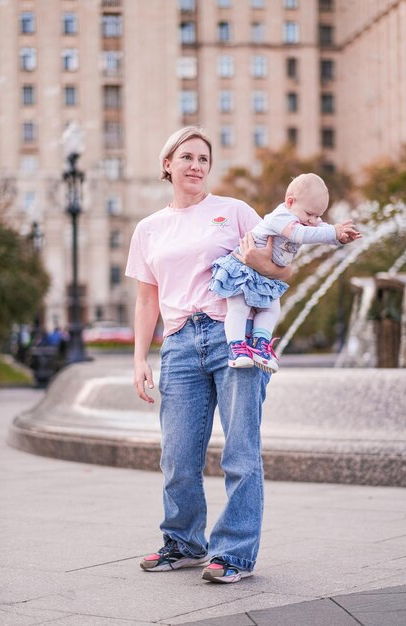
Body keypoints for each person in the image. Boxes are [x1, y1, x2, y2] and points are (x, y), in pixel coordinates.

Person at [125, 126, 292, 584]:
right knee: (177, 456)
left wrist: (254, 259)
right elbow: (146, 299)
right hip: (178, 343)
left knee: (241, 452)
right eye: (187, 157)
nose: (196, 165)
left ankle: (234, 554)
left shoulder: (233, 211)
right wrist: (140, 359)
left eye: (203, 158)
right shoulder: (149, 229)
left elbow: (283, 266)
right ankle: (184, 543)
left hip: (232, 336)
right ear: (167, 165)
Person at [209, 173, 362, 372]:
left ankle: (260, 345)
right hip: (243, 268)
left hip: (266, 274)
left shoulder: (305, 219)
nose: (314, 221)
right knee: (239, 307)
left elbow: (319, 228)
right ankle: (236, 348)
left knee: (272, 309)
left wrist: (338, 237)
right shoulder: (281, 217)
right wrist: (333, 231)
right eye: (310, 214)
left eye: (318, 216)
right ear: (290, 202)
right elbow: (301, 234)